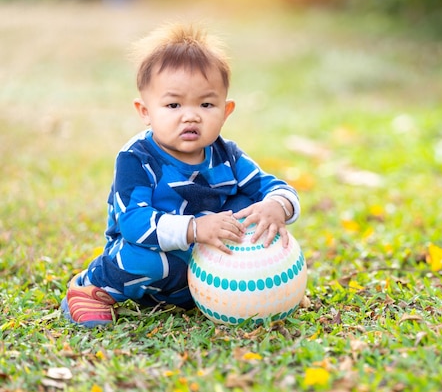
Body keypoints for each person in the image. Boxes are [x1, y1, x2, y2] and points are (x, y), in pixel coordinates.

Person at [61, 23, 300, 327]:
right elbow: (134, 224)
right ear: (145, 111)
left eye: (206, 104)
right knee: (145, 258)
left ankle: (239, 293)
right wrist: (195, 228)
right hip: (152, 253)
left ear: (225, 111)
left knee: (250, 205)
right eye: (173, 104)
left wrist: (276, 206)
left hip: (203, 265)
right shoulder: (136, 158)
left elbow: (275, 187)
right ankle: (93, 286)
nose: (191, 115)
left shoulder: (227, 154)